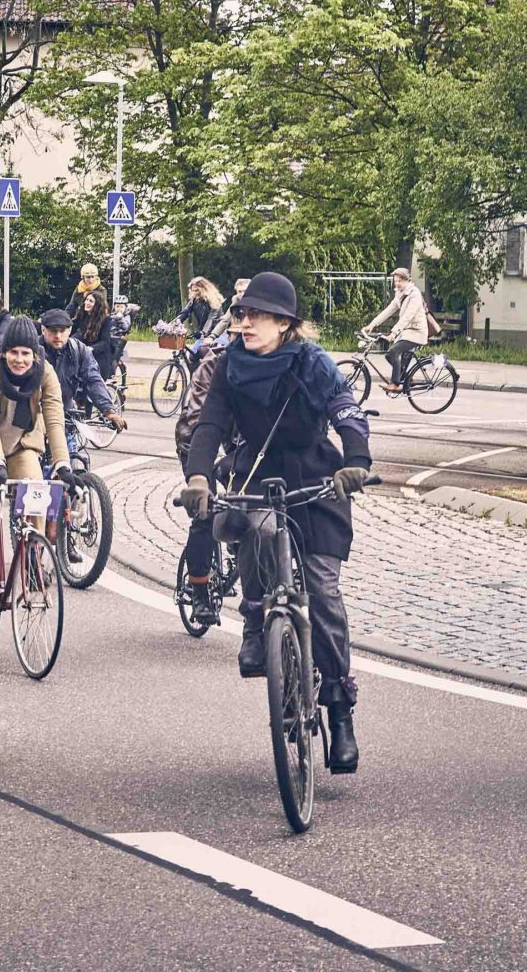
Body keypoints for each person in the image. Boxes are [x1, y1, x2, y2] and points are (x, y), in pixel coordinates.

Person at [181, 271, 373, 775]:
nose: (245, 323)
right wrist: (199, 477)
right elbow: (210, 424)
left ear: (285, 323)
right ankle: (254, 618)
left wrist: (356, 461)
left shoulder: (312, 361)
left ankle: (339, 709)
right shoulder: (230, 364)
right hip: (258, 474)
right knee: (255, 530)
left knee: (323, 592)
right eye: (242, 314)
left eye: (257, 316)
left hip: (315, 479)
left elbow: (346, 411)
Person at [0, 316, 72, 621]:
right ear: (4, 352)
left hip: (21, 447)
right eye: (13, 352)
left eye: (26, 353)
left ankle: (33, 558)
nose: (19, 360)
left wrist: (63, 464)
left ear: (35, 354)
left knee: (37, 496)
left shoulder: (45, 373)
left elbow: (54, 419)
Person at [174, 302, 245, 627]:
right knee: (206, 512)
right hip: (197, 440)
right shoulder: (213, 365)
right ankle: (199, 588)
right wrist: (199, 478)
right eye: (236, 335)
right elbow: (199, 421)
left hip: (236, 445)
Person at [37, 308, 127, 434]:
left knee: (70, 445)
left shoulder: (78, 350)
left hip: (66, 412)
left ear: (69, 331)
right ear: (43, 330)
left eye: (62, 331)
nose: (58, 335)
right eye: (53, 331)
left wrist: (108, 410)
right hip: (36, 414)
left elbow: (93, 379)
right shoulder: (32, 350)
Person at [362, 267, 437, 396]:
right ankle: (407, 378)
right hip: (407, 333)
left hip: (417, 333)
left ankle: (395, 383)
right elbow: (388, 310)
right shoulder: (400, 293)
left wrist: (393, 333)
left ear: (407, 280)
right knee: (389, 355)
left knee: (393, 351)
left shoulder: (414, 294)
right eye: (395, 281)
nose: (396, 284)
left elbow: (408, 317)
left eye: (400, 281)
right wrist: (372, 324)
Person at [74, 288, 118, 381]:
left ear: (97, 305)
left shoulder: (106, 320)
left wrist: (90, 349)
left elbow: (105, 343)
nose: (87, 303)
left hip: (99, 357)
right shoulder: (82, 316)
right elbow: (71, 327)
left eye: (91, 301)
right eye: (86, 300)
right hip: (84, 355)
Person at [175, 277, 224, 351]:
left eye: (197, 290)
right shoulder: (195, 300)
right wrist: (172, 325)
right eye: (193, 291)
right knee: (193, 353)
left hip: (217, 333)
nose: (195, 293)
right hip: (204, 334)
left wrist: (203, 332)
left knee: (210, 354)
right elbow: (185, 313)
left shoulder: (214, 300)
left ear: (204, 289)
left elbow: (211, 319)